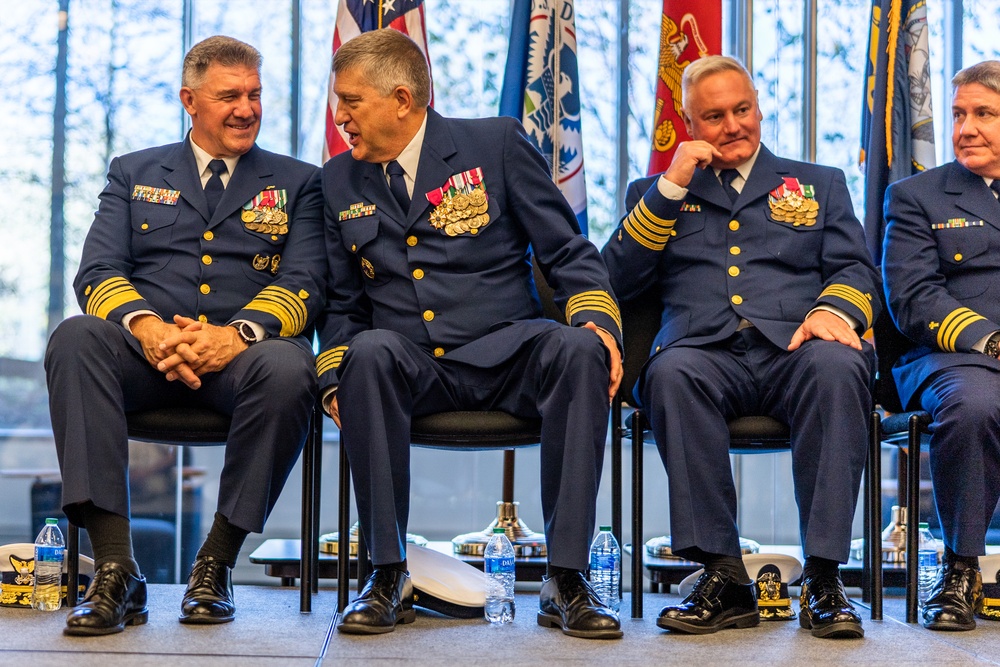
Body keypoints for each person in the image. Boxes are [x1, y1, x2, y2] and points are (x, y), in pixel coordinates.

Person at [316, 29, 623, 639]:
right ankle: (386, 571)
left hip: (509, 353)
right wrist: (332, 379)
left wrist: (597, 322)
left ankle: (566, 578)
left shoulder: (495, 144)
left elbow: (565, 251)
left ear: (401, 99)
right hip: (411, 366)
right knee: (366, 352)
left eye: (351, 101)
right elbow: (344, 307)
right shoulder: (337, 181)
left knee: (579, 349)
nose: (340, 116)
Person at [44, 36, 325, 636]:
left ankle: (215, 565)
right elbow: (97, 272)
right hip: (145, 355)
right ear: (189, 101)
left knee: (292, 367)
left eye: (254, 94)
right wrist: (147, 328)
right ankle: (117, 571)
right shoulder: (135, 172)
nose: (246, 108)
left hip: (239, 360)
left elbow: (307, 284)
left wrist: (236, 334)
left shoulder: (300, 182)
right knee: (75, 339)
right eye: (229, 96)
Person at [602, 56, 879, 639]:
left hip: (796, 348)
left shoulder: (816, 183)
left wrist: (833, 310)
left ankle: (825, 579)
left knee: (838, 367)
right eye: (714, 116)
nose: (733, 125)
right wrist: (670, 186)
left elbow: (856, 270)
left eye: (742, 109)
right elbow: (616, 280)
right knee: (670, 375)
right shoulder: (656, 192)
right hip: (702, 352)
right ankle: (724, 575)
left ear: (758, 106)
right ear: (688, 122)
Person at [882, 59, 1000, 632]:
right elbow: (911, 297)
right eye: (958, 115)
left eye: (984, 114)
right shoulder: (916, 195)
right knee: (974, 404)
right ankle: (961, 568)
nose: (965, 129)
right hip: (950, 356)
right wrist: (990, 340)